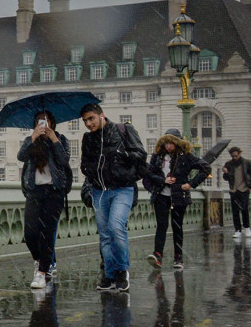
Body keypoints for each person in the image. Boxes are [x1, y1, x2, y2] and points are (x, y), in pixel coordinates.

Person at [79, 103, 146, 293]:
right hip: (100, 191)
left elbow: (140, 155)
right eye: (85, 121)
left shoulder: (123, 130)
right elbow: (84, 165)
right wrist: (93, 168)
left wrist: (119, 154)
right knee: (105, 235)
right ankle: (109, 275)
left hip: (122, 188)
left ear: (102, 116)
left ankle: (122, 271)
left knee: (116, 227)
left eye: (91, 118)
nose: (88, 124)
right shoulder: (88, 138)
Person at [18, 110, 71, 290]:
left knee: (47, 234)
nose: (44, 124)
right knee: (30, 234)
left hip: (54, 192)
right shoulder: (32, 141)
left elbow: (64, 161)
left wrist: (54, 139)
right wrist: (33, 137)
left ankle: (42, 273)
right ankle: (40, 261)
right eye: (40, 121)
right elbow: (20, 156)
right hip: (34, 191)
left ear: (52, 123)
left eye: (47, 121)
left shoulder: (61, 140)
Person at [145, 128, 210, 269]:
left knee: (177, 226)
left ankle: (178, 257)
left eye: (171, 143)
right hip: (161, 195)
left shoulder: (186, 156)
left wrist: (191, 184)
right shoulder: (157, 156)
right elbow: (149, 173)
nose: (168, 146)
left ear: (177, 143)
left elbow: (206, 168)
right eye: (166, 143)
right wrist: (163, 181)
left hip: (179, 196)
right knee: (161, 225)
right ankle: (157, 255)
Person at [222, 146, 251, 241]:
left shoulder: (247, 163)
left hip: (244, 189)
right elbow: (226, 178)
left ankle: (246, 228)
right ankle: (237, 230)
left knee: (245, 209)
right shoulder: (229, 164)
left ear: (240, 154)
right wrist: (225, 172)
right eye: (233, 156)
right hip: (234, 190)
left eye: (236, 156)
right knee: (235, 211)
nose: (235, 158)